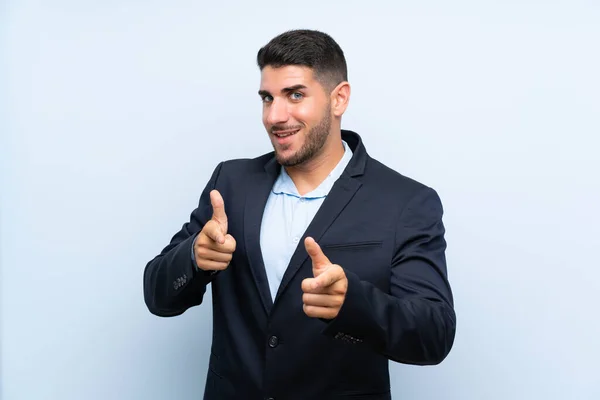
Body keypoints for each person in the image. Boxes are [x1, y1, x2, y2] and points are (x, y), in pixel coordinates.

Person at [143, 29, 456, 400]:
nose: (275, 116)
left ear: (339, 99)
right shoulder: (230, 183)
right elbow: (157, 295)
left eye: (295, 95)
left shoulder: (405, 201)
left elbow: (434, 334)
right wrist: (195, 257)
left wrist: (352, 303)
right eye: (266, 98)